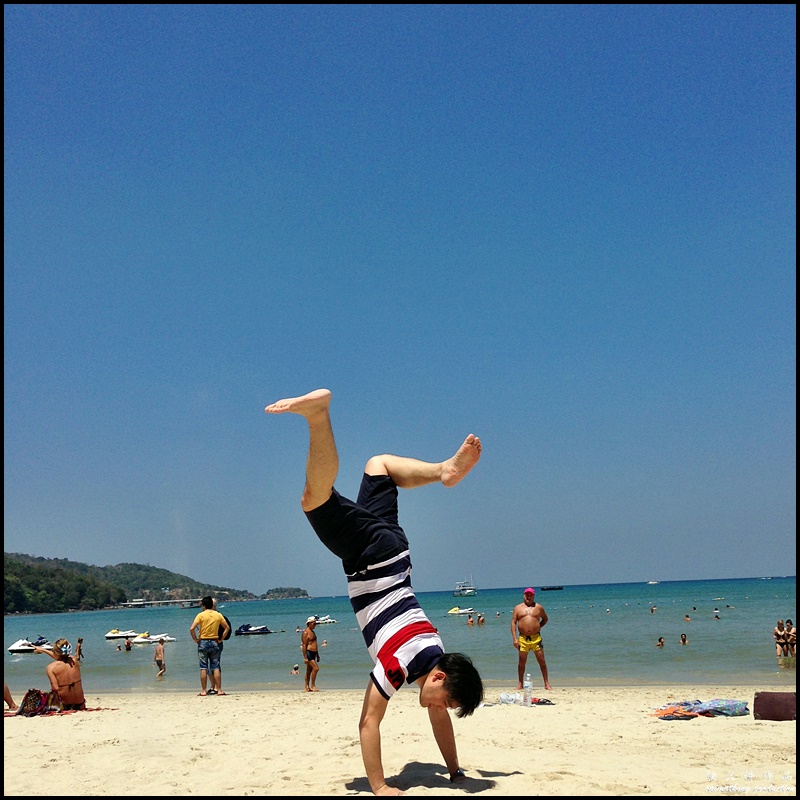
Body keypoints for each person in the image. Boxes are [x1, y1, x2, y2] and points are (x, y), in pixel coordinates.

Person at [265, 388, 483, 796]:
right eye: (447, 701)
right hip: (372, 559)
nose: (443, 710)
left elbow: (438, 718)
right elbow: (368, 722)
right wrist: (380, 788)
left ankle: (443, 471)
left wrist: (454, 772)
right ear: (437, 678)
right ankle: (318, 414)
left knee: (378, 464)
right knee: (314, 499)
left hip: (396, 553)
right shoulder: (398, 665)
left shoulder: (435, 649)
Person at [511, 588, 552, 690]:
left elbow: (545, 619)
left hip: (536, 638)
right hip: (523, 639)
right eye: (526, 595)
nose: (528, 597)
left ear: (533, 596)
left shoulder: (538, 607)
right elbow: (513, 623)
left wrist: (537, 627)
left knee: (541, 661)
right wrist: (515, 639)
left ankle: (546, 683)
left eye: (530, 595)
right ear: (524, 595)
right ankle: (520, 684)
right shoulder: (518, 608)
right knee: (521, 662)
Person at [189, 595, 230, 696]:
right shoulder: (218, 615)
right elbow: (227, 628)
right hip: (214, 641)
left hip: (202, 641)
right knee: (215, 666)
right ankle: (219, 690)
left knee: (203, 667)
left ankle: (203, 690)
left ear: (203, 605)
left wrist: (195, 639)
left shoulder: (201, 615)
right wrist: (221, 639)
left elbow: (192, 628)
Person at [32, 637, 86, 710]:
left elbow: (55, 689)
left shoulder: (51, 668)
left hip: (64, 706)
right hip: (80, 704)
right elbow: (61, 659)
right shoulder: (74, 660)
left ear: (55, 652)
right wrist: (43, 650)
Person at [302, 616, 321, 692]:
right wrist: (305, 657)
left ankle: (306, 687)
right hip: (309, 652)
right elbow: (304, 645)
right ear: (309, 623)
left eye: (315, 624)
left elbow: (315, 643)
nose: (315, 625)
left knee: (309, 671)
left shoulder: (312, 632)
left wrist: (317, 655)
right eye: (314, 623)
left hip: (314, 653)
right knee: (316, 668)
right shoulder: (306, 632)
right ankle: (313, 686)